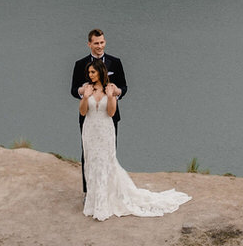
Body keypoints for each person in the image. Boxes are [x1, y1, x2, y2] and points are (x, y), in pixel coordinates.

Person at [78, 60, 190, 220]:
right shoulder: (87, 87)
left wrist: (110, 97)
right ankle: (92, 202)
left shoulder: (111, 88)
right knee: (91, 163)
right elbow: (83, 112)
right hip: (89, 130)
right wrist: (85, 97)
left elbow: (111, 113)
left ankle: (103, 205)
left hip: (105, 131)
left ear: (101, 72)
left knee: (105, 163)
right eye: (89, 72)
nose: (90, 75)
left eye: (93, 72)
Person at [71, 28, 127, 192]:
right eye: (96, 43)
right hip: (89, 116)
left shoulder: (115, 62)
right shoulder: (80, 64)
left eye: (102, 42)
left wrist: (117, 92)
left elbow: (124, 86)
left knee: (109, 153)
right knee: (88, 154)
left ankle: (109, 190)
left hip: (109, 115)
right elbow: (73, 90)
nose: (100, 46)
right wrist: (81, 91)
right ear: (89, 44)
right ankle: (88, 192)